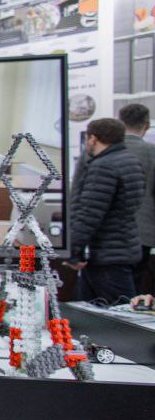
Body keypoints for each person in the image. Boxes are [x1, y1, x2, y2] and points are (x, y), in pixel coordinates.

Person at [65, 117, 145, 305]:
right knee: (84, 310)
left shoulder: (103, 166)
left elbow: (89, 214)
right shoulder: (130, 160)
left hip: (108, 254)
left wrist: (72, 251)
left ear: (93, 138)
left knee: (120, 313)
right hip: (122, 246)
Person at [118, 103, 155, 293]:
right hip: (143, 232)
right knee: (136, 290)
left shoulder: (105, 151)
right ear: (146, 125)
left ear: (120, 122)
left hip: (107, 236)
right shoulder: (152, 152)